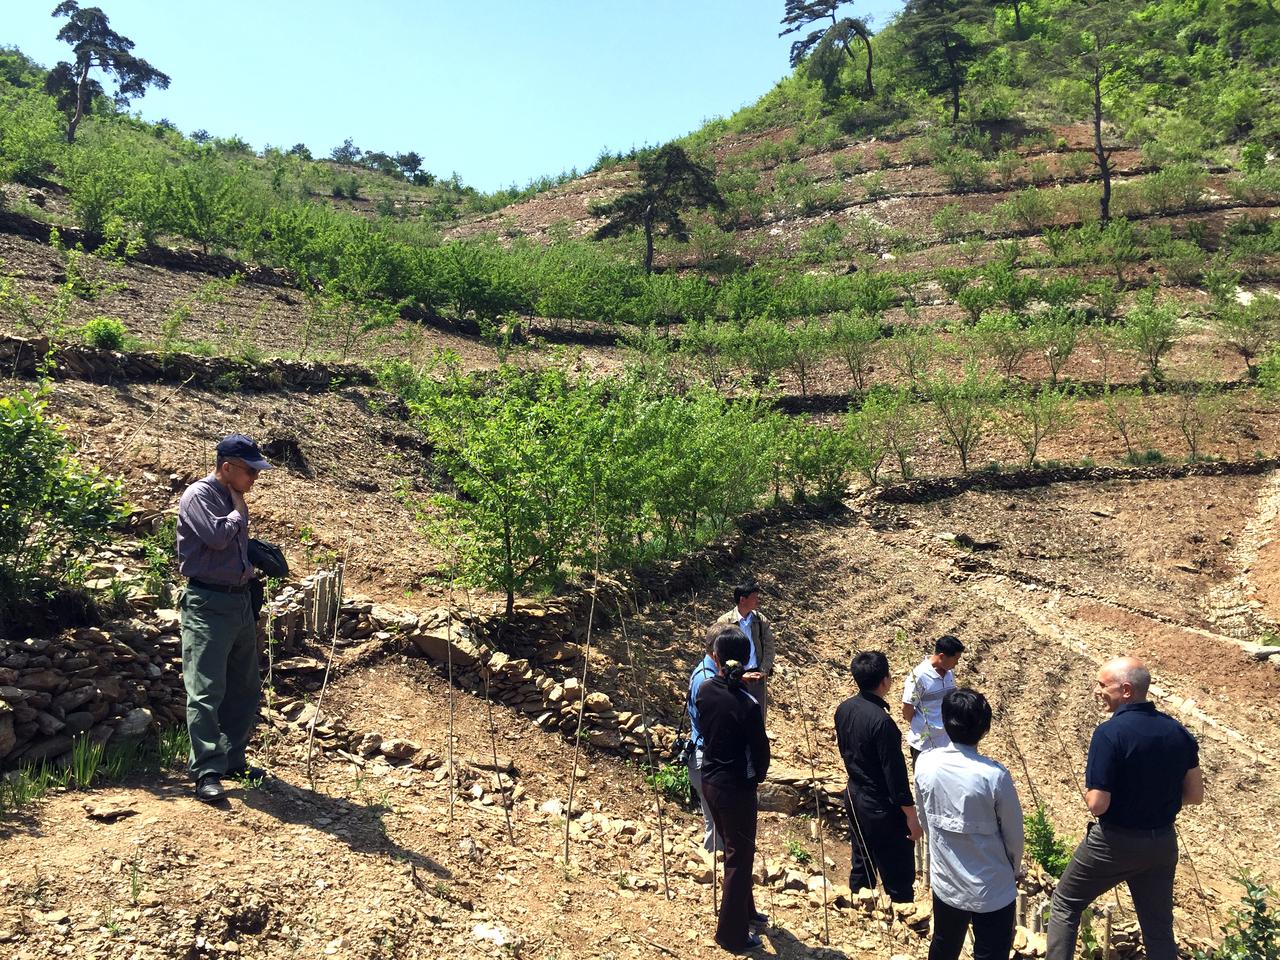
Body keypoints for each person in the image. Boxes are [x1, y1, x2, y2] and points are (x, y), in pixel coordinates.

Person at [1047, 657, 1204, 960]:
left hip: (1115, 842)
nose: (1097, 690)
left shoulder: (1110, 734)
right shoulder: (1178, 732)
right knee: (1158, 927)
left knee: (1066, 902)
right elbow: (1195, 795)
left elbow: (1097, 804)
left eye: (1103, 685)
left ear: (1127, 690)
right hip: (1162, 844)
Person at [176, 434, 274, 804]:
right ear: (227, 467)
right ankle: (207, 771)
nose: (255, 478)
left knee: (244, 686)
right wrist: (238, 512)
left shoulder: (234, 496)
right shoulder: (199, 496)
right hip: (208, 602)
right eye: (250, 471)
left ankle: (233, 759)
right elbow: (216, 538)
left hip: (238, 602)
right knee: (205, 692)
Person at [915, 688, 1024, 960]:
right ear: (985, 729)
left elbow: (925, 818)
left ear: (945, 721)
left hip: (947, 882)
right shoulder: (994, 776)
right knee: (991, 953)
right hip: (992, 887)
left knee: (944, 945)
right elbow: (1014, 835)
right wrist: (1013, 867)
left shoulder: (926, 763)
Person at [696, 624, 771, 954]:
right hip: (736, 787)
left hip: (710, 780)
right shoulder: (749, 705)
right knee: (739, 860)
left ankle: (747, 911)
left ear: (715, 657)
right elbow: (761, 752)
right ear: (748, 658)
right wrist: (759, 778)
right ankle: (731, 935)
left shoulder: (705, 691)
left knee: (735, 850)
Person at [835, 650, 922, 903]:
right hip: (881, 805)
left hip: (854, 794)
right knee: (898, 871)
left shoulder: (844, 709)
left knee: (862, 858)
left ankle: (858, 909)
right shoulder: (883, 723)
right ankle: (903, 919)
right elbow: (895, 777)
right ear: (886, 680)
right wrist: (911, 816)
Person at [716, 579, 776, 723]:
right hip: (735, 678)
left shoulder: (760, 620)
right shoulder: (724, 622)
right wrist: (732, 673)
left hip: (757, 678)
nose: (758, 601)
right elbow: (718, 651)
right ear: (743, 600)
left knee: (758, 718)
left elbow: (769, 647)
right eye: (755, 598)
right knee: (736, 718)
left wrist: (763, 670)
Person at [686, 627, 722, 853]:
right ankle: (710, 872)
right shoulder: (707, 681)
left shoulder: (705, 673)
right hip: (705, 758)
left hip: (702, 756)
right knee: (716, 823)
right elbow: (712, 725)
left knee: (715, 821)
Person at [902, 634, 964, 763]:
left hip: (946, 742)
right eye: (955, 659)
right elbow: (907, 708)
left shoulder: (948, 673)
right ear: (942, 656)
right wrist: (921, 725)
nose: (957, 663)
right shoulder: (919, 676)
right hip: (924, 744)